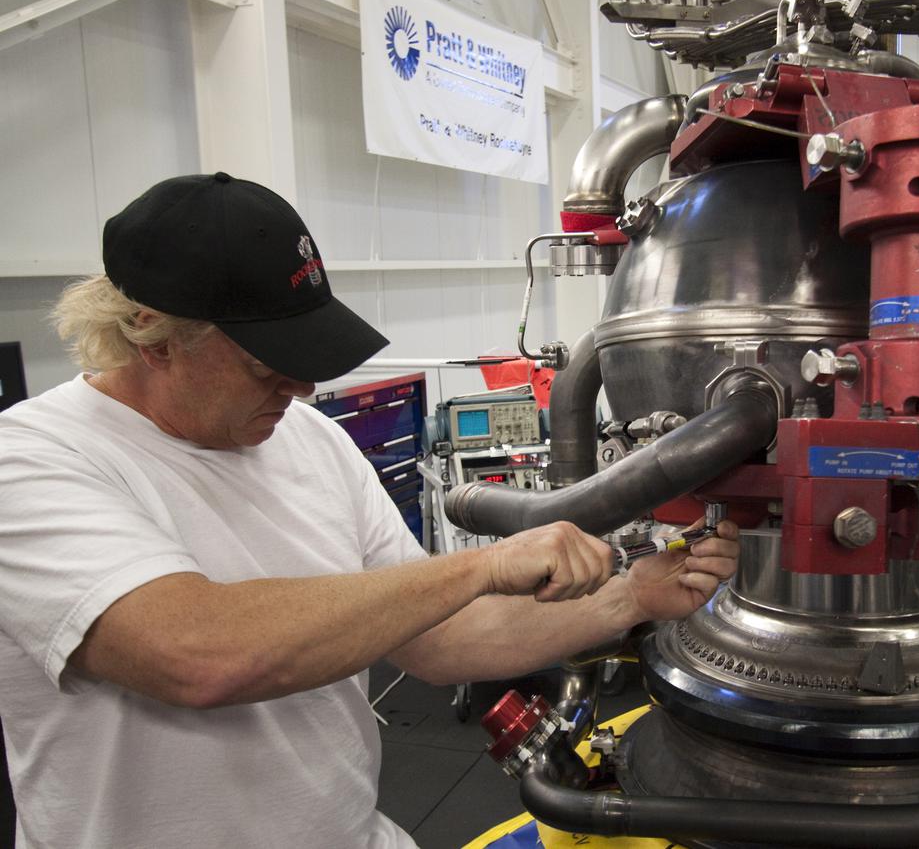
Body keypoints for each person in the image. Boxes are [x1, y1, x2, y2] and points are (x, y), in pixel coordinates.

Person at [0, 173, 740, 849]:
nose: (302, 390)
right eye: (267, 365)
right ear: (151, 336)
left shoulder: (307, 439)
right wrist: (484, 565)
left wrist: (634, 594)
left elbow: (439, 638)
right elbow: (195, 652)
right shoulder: (32, 460)